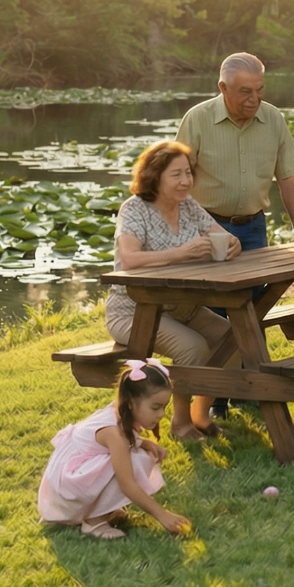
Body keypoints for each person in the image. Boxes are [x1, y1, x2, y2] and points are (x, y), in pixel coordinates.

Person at [107, 140, 237, 440]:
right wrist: (182, 253)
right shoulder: (135, 209)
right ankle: (180, 424)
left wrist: (232, 244)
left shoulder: (189, 207)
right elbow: (129, 259)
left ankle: (199, 414)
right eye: (176, 174)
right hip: (134, 311)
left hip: (183, 308)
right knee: (192, 347)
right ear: (155, 176)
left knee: (234, 339)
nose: (185, 181)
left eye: (188, 173)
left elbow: (224, 237)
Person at [175, 52, 294, 253]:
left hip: (254, 228)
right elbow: (176, 177)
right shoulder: (197, 119)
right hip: (205, 227)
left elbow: (288, 177)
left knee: (258, 284)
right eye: (245, 91)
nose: (254, 99)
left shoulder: (273, 118)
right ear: (223, 88)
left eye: (260, 89)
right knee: (210, 283)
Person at [38, 359, 192, 539]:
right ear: (131, 403)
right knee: (136, 460)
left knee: (138, 455)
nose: (161, 414)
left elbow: (121, 441)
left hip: (75, 482)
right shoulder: (114, 433)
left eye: (164, 407)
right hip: (67, 493)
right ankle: (95, 522)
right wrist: (162, 515)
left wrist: (144, 443)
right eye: (155, 408)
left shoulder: (120, 412)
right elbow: (127, 484)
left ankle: (102, 510)